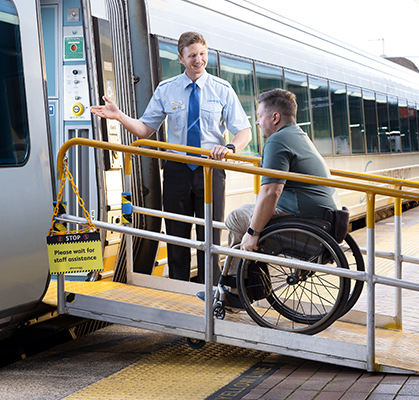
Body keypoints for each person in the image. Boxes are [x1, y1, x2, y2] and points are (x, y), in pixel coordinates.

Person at [91, 32, 251, 284]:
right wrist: (119, 116)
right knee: (177, 233)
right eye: (192, 56)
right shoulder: (167, 89)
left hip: (210, 169)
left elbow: (244, 131)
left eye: (202, 54)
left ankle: (208, 289)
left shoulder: (222, 89)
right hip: (177, 169)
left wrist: (230, 147)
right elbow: (145, 129)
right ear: (181, 58)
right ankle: (179, 287)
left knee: (208, 233)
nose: (198, 60)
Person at [198, 88, 341, 308]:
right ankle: (247, 283)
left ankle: (235, 291)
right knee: (249, 211)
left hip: (306, 224)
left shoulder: (277, 141)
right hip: (324, 221)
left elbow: (271, 192)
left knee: (237, 218)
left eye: (259, 115)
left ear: (275, 117)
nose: (256, 122)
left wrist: (253, 234)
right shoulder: (297, 135)